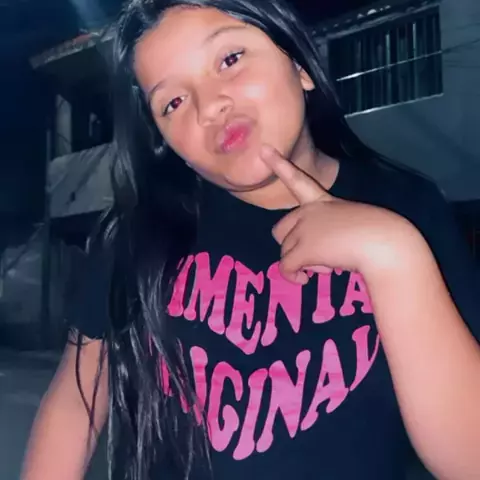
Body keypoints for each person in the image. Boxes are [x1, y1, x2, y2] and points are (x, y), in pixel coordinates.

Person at [22, 0, 480, 479]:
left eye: (230, 59)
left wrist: (392, 256)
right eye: (173, 103)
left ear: (300, 66)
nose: (210, 107)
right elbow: (75, 401)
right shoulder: (138, 236)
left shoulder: (406, 208)